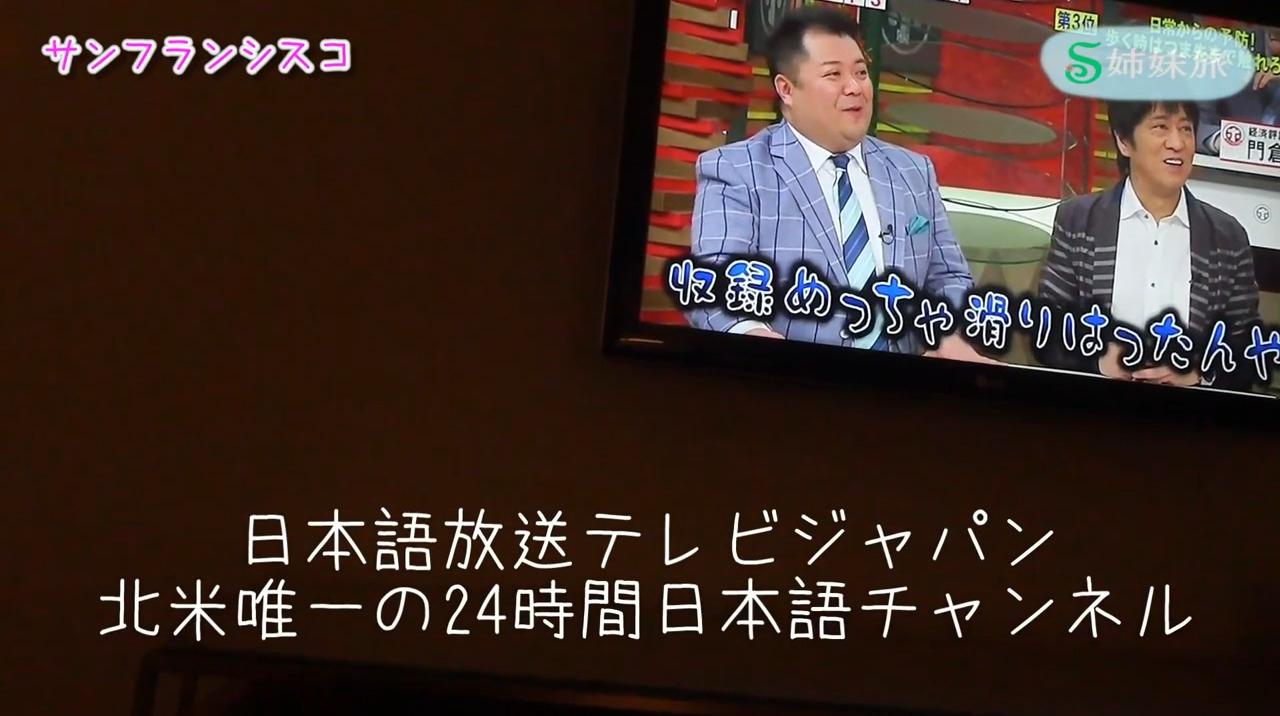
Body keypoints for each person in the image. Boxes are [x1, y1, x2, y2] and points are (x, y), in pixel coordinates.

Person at [684, 6, 984, 360]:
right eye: (833, 74)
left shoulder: (913, 171)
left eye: (861, 72)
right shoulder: (737, 170)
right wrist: (755, 338)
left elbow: (950, 278)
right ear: (786, 89)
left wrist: (950, 335)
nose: (855, 87)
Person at [1038, 100, 1262, 389]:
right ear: (1124, 141)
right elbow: (1049, 332)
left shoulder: (1227, 237)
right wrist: (1098, 362)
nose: (1177, 143)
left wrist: (1199, 372)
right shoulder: (1079, 221)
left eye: (1186, 129)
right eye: (1160, 127)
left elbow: (1246, 351)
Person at [1197, 27, 1280, 155]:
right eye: (1276, 36)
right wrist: (1225, 141)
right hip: (1229, 163)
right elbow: (1193, 123)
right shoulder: (1229, 53)